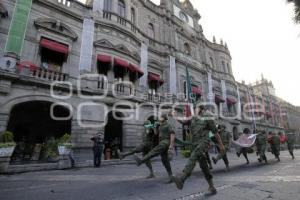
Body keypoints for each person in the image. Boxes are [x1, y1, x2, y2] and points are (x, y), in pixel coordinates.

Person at [172, 104, 225, 195]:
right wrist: (175, 116)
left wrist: (221, 145)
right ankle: (211, 186)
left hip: (204, 142)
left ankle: (182, 178)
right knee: (204, 166)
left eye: (195, 108)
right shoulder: (193, 118)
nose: (194, 110)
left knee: (194, 156)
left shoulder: (207, 117)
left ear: (201, 109)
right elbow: (184, 121)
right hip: (194, 143)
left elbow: (215, 132)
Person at [134, 114, 175, 183]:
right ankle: (171, 177)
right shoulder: (160, 125)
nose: (159, 118)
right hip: (161, 142)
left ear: (164, 118)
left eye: (161, 117)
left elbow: (172, 134)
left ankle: (141, 160)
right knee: (165, 161)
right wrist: (155, 127)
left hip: (166, 141)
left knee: (154, 151)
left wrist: (171, 145)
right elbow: (156, 133)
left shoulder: (168, 125)